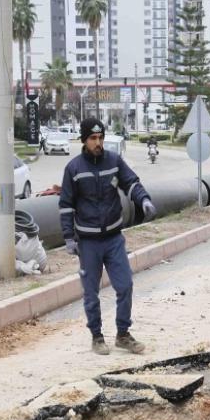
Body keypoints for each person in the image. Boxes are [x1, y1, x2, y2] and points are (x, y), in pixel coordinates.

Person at [59, 117, 156, 355]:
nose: (98, 142)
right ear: (84, 140)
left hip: (113, 239)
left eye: (100, 137)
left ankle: (123, 334)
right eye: (93, 138)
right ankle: (97, 336)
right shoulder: (73, 169)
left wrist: (143, 200)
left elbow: (131, 183)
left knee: (125, 285)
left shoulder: (113, 161)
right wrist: (68, 237)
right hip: (88, 243)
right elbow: (65, 205)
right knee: (91, 293)